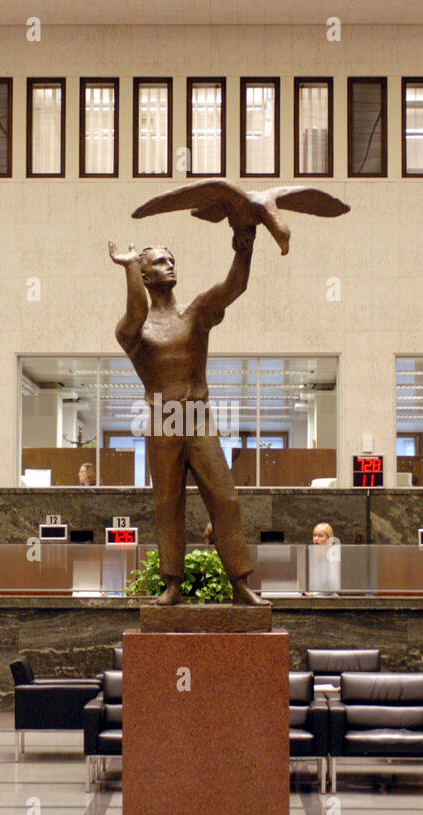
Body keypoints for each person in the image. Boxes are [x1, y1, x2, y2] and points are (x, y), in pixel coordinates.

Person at [109, 224, 268, 606]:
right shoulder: (135, 330)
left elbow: (234, 286)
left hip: (197, 416)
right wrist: (129, 267)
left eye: (172, 259)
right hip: (162, 420)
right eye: (160, 262)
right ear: (146, 275)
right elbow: (134, 310)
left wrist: (244, 247)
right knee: (168, 503)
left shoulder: (195, 312)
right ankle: (172, 585)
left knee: (225, 499)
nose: (170, 265)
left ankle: (241, 582)